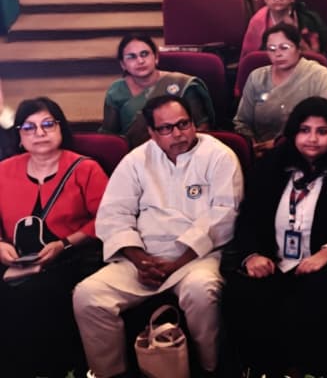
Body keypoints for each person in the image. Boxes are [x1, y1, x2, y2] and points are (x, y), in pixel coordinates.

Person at [73, 94, 244, 378]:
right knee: (88, 295)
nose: (177, 134)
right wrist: (140, 259)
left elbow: (224, 215)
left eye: (183, 124)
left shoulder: (219, 156)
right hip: (143, 257)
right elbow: (114, 214)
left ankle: (210, 369)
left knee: (201, 291)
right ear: (151, 132)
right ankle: (111, 373)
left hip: (196, 257)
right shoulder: (136, 160)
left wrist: (176, 263)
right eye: (165, 128)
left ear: (194, 124)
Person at [222, 97, 327, 378]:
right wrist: (252, 255)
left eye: (322, 131)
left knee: (320, 295)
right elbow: (248, 217)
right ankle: (260, 369)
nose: (312, 139)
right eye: (304, 130)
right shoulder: (272, 164)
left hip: (325, 262)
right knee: (244, 293)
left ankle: (309, 371)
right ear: (293, 132)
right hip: (274, 260)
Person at [0, 97, 108, 378]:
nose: (40, 133)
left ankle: (52, 369)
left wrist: (66, 243)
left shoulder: (85, 168)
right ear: (19, 136)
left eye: (48, 124)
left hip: (72, 255)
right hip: (13, 257)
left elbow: (107, 218)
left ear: (61, 128)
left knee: (32, 294)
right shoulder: (3, 170)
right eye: (29, 127)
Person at [233, 22, 327, 154]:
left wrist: (280, 143)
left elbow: (324, 123)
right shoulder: (257, 77)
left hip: (306, 151)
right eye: (271, 49)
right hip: (261, 152)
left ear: (298, 48)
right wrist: (251, 145)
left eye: (284, 47)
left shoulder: (319, 75)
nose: (278, 54)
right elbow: (242, 121)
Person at [100, 33, 214, 148]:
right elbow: (110, 137)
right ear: (123, 64)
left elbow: (202, 129)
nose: (140, 61)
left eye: (144, 54)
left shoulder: (182, 84)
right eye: (132, 57)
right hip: (135, 155)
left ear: (156, 58)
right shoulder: (116, 91)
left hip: (180, 150)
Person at [241, 0, 327, 63]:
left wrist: (295, 34)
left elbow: (315, 59)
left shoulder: (308, 19)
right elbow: (250, 60)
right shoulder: (257, 21)